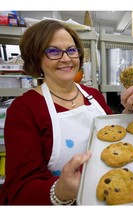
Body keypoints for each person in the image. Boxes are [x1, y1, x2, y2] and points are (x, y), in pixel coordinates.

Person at [0, 20, 113, 205]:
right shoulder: (24, 110)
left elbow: (112, 139)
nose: (66, 58)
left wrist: (130, 112)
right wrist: (60, 191)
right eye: (53, 51)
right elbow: (18, 191)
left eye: (71, 50)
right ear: (36, 58)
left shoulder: (93, 95)